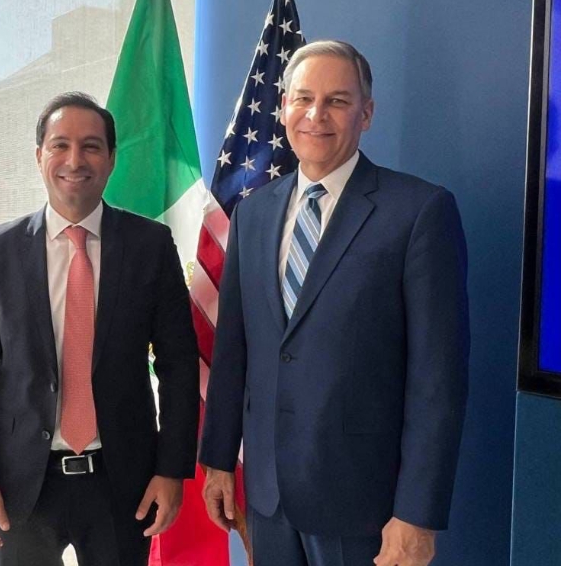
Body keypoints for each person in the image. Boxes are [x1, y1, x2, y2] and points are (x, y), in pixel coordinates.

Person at [199, 40, 469, 566]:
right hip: (268, 498)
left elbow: (438, 380)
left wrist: (417, 514)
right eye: (303, 99)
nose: (316, 115)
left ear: (366, 114)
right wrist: (218, 462)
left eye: (337, 101)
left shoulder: (419, 212)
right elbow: (234, 350)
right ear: (283, 109)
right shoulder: (252, 214)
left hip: (365, 506)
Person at [0, 91, 199, 566]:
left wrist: (172, 470)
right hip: (20, 484)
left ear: (111, 158)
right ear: (39, 155)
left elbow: (179, 363)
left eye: (90, 146)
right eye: (60, 145)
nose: (74, 160)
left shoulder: (150, 245)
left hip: (122, 482)